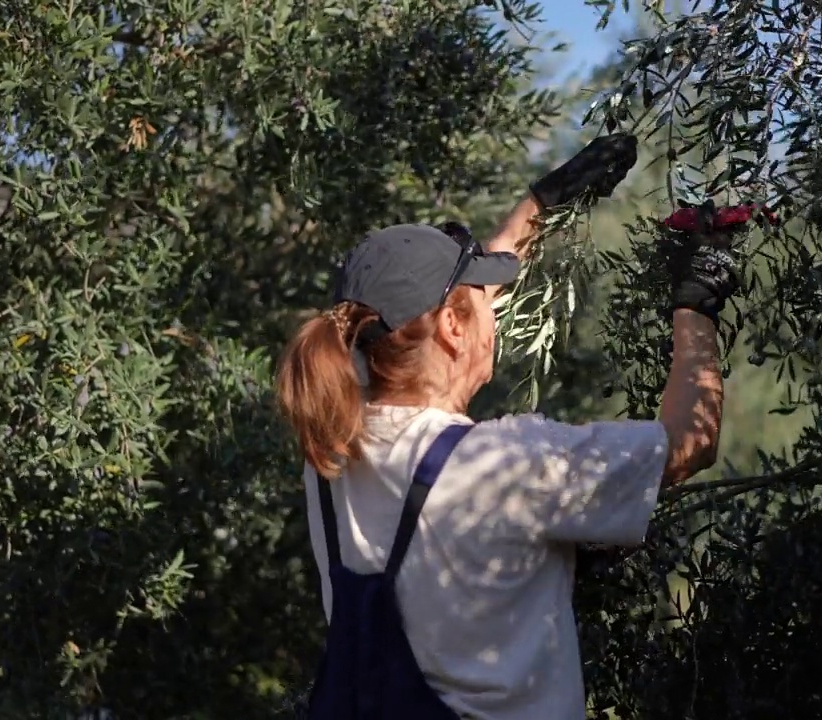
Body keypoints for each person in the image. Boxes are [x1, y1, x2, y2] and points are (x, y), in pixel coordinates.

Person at [275, 134, 742, 720]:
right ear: (451, 325)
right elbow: (689, 442)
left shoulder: (332, 450)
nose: (493, 309)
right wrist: (695, 307)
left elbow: (427, 319)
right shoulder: (510, 465)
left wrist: (540, 204)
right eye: (482, 300)